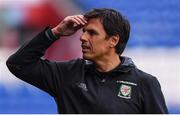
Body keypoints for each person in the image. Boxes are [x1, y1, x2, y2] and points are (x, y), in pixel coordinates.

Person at [6, 8, 168, 114]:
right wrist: (55, 33)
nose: (82, 37)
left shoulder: (145, 83)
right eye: (84, 32)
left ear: (113, 40)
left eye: (92, 33)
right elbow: (18, 64)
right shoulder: (68, 73)